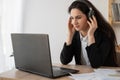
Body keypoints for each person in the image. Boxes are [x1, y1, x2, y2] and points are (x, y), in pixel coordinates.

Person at [60, 0, 118, 68]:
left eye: (78, 17)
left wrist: (91, 36)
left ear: (89, 16)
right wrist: (70, 36)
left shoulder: (106, 33)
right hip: (84, 74)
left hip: (104, 75)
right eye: (72, 18)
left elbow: (96, 64)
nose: (74, 22)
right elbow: (64, 60)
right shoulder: (75, 34)